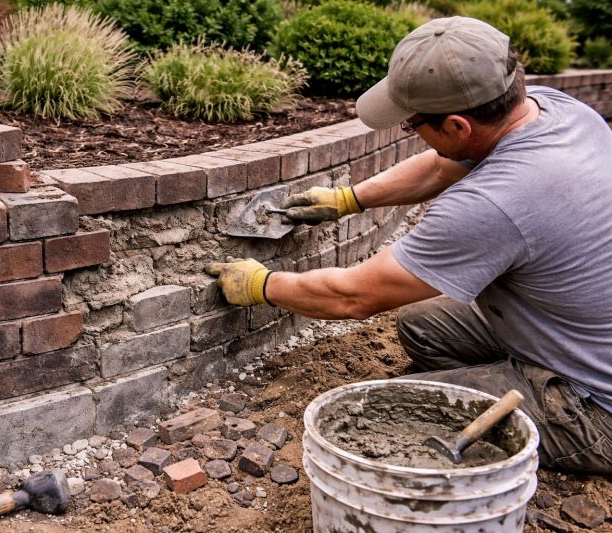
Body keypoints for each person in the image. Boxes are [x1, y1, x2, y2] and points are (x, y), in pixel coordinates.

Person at [206, 16, 612, 473]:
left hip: (599, 407)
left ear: (458, 126)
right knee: (423, 325)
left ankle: (537, 407)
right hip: (581, 332)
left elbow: (356, 296)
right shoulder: (555, 111)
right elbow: (443, 168)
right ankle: (515, 373)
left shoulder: (495, 202)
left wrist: (262, 285)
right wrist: (347, 200)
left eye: (413, 124)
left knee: (385, 420)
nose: (411, 131)